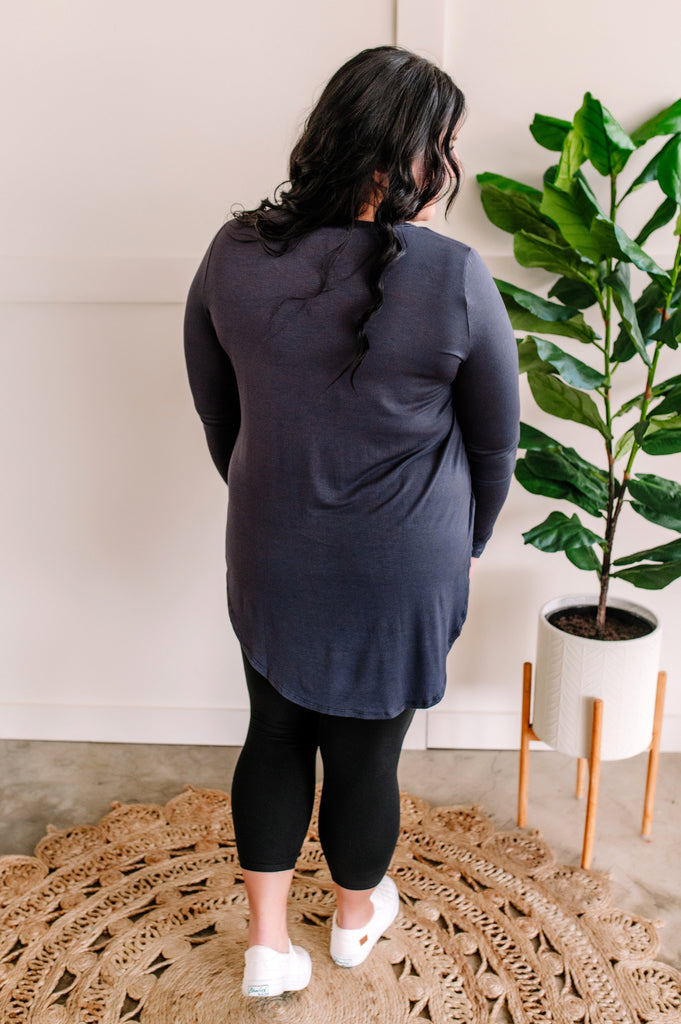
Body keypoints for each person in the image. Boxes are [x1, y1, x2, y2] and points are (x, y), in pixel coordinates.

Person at [183, 45, 519, 999]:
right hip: (402, 562)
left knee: (273, 733)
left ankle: (266, 945)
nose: (449, 163)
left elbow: (217, 409)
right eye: (443, 144)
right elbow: (495, 444)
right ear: (406, 153)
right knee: (367, 755)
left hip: (272, 543)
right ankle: (353, 919)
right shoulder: (453, 274)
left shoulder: (234, 253)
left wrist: (268, 495)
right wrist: (466, 543)